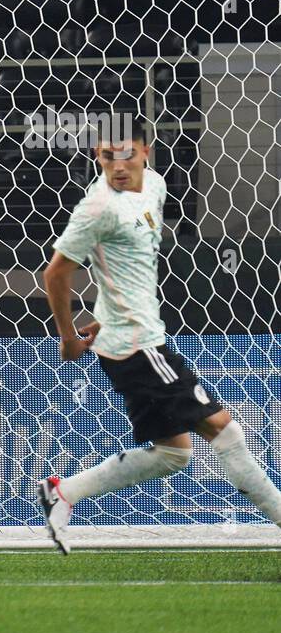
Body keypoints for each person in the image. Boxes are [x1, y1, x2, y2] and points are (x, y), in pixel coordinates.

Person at [38, 135, 281, 553]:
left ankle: (63, 492)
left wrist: (103, 317)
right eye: (107, 157)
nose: (118, 165)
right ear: (98, 158)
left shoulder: (155, 185)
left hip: (126, 339)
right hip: (138, 347)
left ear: (145, 152)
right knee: (225, 432)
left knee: (174, 454)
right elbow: (56, 274)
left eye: (127, 154)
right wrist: (67, 337)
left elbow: (121, 266)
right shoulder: (97, 208)